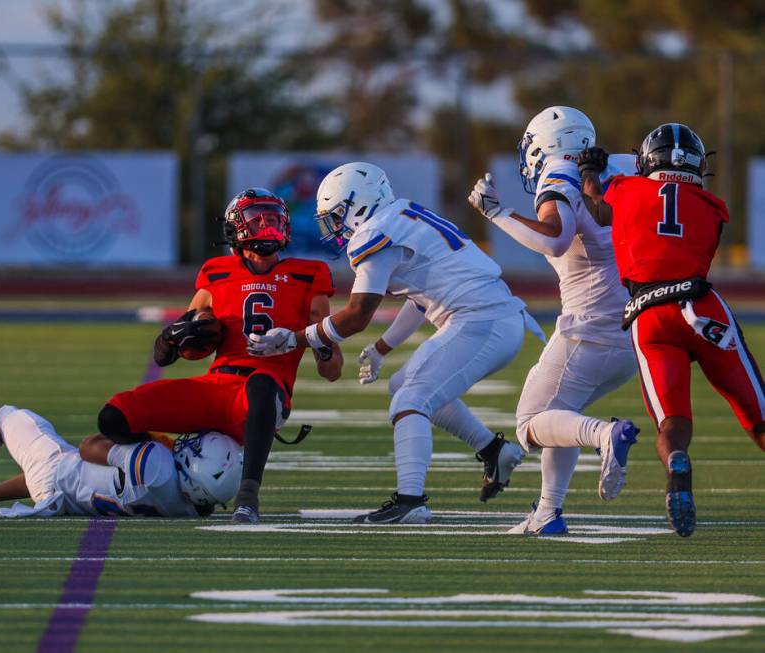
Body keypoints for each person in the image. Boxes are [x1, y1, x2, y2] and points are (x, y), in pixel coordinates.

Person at [247, 162, 542, 524]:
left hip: (482, 320)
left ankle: (410, 501)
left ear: (358, 204)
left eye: (337, 216)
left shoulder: (375, 231)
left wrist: (294, 339)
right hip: (491, 316)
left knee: (411, 399)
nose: (335, 227)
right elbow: (420, 298)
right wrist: (383, 347)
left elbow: (358, 313)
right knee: (404, 384)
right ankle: (494, 450)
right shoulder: (401, 215)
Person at [97, 188, 342, 524]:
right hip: (216, 385)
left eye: (273, 219)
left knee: (261, 384)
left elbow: (332, 370)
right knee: (113, 416)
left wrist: (314, 341)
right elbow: (167, 355)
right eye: (257, 219)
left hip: (264, 395)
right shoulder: (216, 273)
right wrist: (171, 338)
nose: (267, 226)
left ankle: (247, 498)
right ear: (235, 229)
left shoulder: (308, 274)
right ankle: (171, 456)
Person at [579, 123, 765, 537]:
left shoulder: (624, 189)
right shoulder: (712, 206)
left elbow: (597, 206)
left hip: (649, 313)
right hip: (701, 306)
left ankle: (677, 460)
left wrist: (590, 172)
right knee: (756, 410)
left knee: (672, 423)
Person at [467, 106, 641, 535]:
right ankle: (547, 513)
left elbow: (555, 238)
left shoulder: (560, 172)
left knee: (530, 424)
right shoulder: (624, 166)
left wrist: (496, 213)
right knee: (562, 417)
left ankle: (607, 435)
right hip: (635, 323)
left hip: (590, 324)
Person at [0, 405, 240, 518]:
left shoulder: (156, 463)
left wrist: (143, 436)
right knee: (60, 466)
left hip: (58, 472)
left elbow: (89, 447)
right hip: (65, 500)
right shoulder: (189, 509)